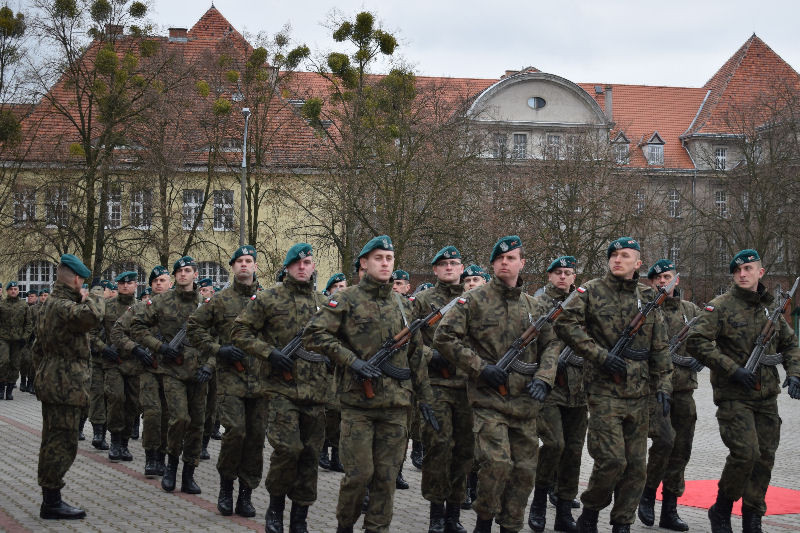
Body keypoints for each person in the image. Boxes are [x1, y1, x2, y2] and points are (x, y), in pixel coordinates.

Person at [304, 235, 439, 533]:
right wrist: (351, 360)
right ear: (364, 263)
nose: (385, 263)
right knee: (358, 475)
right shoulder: (347, 299)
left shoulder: (404, 305)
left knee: (386, 478)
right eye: (379, 258)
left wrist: (426, 399)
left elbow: (416, 357)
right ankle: (345, 526)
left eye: (389, 258)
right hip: (358, 407)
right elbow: (313, 335)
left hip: (396, 408)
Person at [435, 235, 560, 533]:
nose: (506, 262)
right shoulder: (473, 301)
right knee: (496, 464)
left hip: (525, 406)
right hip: (488, 400)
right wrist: (480, 368)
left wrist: (544, 378)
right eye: (500, 259)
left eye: (512, 258)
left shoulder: (535, 306)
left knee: (524, 472)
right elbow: (443, 336)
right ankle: (483, 523)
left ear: (522, 263)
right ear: (493, 264)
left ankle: (510, 526)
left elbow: (552, 344)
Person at [554, 237, 672, 533]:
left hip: (640, 393)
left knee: (636, 467)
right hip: (604, 390)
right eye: (614, 255)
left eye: (625, 255)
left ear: (638, 263)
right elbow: (564, 323)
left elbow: (659, 347)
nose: (617, 260)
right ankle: (591, 512)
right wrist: (599, 355)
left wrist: (664, 387)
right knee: (611, 461)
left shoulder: (648, 297)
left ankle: (622, 523)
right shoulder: (592, 290)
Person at [686, 249, 800, 533]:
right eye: (738, 270)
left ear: (761, 272)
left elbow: (790, 344)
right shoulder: (721, 306)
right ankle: (721, 510)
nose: (742, 274)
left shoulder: (769, 310)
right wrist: (731, 368)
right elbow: (696, 341)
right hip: (734, 395)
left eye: (749, 269)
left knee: (765, 458)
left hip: (766, 397)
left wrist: (795, 374)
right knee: (745, 454)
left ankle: (753, 517)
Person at [231, 243, 330, 532]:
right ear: (287, 267)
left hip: (316, 393)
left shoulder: (323, 304)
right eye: (297, 263)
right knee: (288, 450)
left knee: (310, 455)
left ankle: (300, 517)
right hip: (279, 392)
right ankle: (275, 509)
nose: (303, 267)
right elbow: (239, 331)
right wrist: (268, 353)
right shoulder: (268, 299)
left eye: (308, 262)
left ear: (313, 267)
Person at [188, 245, 265, 518]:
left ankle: (246, 494)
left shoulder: (266, 300)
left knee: (255, 440)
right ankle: (226, 487)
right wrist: (218, 350)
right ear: (232, 267)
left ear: (255, 266)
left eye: (249, 260)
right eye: (240, 261)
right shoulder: (219, 301)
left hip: (261, 382)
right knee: (235, 433)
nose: (245, 265)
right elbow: (194, 327)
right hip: (231, 379)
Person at [131, 256, 211, 494]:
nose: (184, 274)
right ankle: (171, 467)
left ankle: (189, 474)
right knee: (179, 419)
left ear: (195, 274)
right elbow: (137, 327)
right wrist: (159, 347)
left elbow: (219, 338)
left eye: (188, 271)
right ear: (175, 276)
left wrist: (211, 365)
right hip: (172, 370)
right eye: (179, 271)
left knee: (197, 424)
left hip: (199, 372)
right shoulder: (162, 301)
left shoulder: (207, 303)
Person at [35, 254, 103, 519]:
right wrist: (96, 293)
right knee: (61, 443)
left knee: (54, 439)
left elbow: (36, 349)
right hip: (64, 385)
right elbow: (92, 316)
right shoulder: (62, 306)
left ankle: (51, 498)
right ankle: (51, 502)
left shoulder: (50, 304)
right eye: (83, 282)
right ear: (76, 279)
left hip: (55, 381)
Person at [411, 245, 472, 533]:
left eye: (455, 263)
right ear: (435, 269)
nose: (449, 268)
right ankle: (437, 512)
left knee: (464, 450)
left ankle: (454, 512)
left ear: (462, 269)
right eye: (444, 264)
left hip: (468, 386)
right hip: (435, 385)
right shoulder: (422, 300)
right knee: (438, 447)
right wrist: (429, 355)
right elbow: (408, 340)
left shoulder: (474, 299)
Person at [637, 259, 700, 531]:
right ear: (651, 283)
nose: (663, 282)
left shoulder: (691, 311)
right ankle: (648, 494)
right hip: (654, 390)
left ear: (677, 280)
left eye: (667, 277)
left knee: (681, 450)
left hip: (684, 390)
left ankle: (670, 509)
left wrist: (701, 356)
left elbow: (708, 339)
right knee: (664, 442)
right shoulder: (647, 310)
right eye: (657, 279)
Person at [528, 256, 586, 533]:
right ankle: (539, 501)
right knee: (554, 445)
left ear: (574, 276)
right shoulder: (537, 304)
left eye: (568, 273)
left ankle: (564, 509)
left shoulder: (584, 304)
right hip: (549, 388)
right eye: (558, 273)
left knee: (573, 452)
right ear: (549, 276)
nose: (563, 277)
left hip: (579, 389)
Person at [111, 265, 171, 477]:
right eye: (155, 281)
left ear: (170, 283)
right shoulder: (139, 308)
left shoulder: (181, 308)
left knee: (169, 416)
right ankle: (151, 458)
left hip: (175, 371)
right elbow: (117, 333)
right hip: (147, 369)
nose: (158, 284)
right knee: (153, 413)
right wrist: (135, 349)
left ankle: (164, 456)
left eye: (162, 280)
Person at [91, 271, 141, 462]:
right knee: (115, 399)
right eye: (121, 283)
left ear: (136, 285)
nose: (125, 286)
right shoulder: (107, 306)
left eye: (129, 283)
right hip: (113, 362)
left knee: (132, 404)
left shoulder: (142, 307)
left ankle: (125, 444)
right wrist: (104, 349)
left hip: (135, 363)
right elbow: (92, 334)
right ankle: (114, 441)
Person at [319, 272, 348, 472]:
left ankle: (337, 454)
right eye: (336, 286)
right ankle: (322, 448)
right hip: (325, 369)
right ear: (329, 290)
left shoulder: (351, 312)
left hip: (345, 369)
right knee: (329, 411)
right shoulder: (325, 312)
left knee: (341, 414)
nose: (340, 289)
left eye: (344, 286)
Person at [195, 277, 219, 460]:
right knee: (195, 408)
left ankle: (203, 444)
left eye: (205, 291)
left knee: (210, 408)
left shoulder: (215, 312)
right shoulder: (195, 311)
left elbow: (219, 340)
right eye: (200, 291)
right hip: (192, 365)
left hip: (212, 365)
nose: (202, 294)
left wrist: (210, 365)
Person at [0, 281, 33, 400]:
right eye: (11, 289)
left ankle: (9, 390)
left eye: (15, 289)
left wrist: (25, 337)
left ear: (18, 291)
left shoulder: (23, 305)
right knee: (3, 362)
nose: (13, 291)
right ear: (7, 291)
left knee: (15, 364)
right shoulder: (2, 304)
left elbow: (29, 324)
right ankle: (1, 388)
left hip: (18, 340)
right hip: (3, 339)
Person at [18, 290, 39, 393]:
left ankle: (31, 383)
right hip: (25, 338)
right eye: (29, 296)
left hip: (35, 339)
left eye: (32, 296)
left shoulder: (39, 309)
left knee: (33, 362)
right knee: (25, 360)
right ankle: (22, 381)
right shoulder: (24, 308)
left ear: (36, 297)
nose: (30, 298)